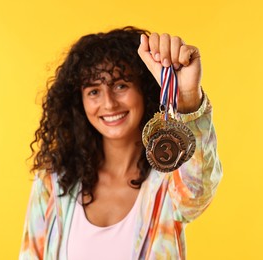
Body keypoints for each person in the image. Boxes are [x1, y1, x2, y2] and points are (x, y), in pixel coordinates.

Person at [20, 26, 222, 260]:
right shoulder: (54, 181)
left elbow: (196, 192)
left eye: (120, 86)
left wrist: (186, 97)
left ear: (144, 90)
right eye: (94, 91)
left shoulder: (167, 182)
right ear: (79, 102)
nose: (108, 104)